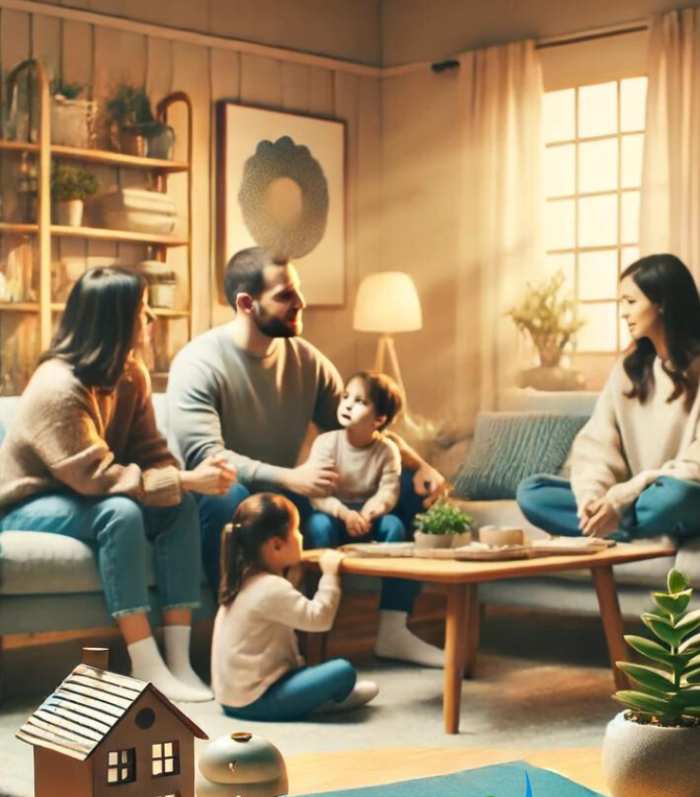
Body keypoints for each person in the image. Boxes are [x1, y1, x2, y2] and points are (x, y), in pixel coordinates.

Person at [166, 247, 447, 667]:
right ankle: (244, 640)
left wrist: (419, 465)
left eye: (298, 290)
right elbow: (208, 459)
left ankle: (393, 628)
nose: (300, 303)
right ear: (246, 304)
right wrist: (291, 477)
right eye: (285, 296)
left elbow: (360, 428)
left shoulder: (306, 360)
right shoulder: (199, 362)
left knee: (410, 489)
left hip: (290, 495)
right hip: (222, 494)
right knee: (230, 496)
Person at [0, 267, 236, 701]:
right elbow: (98, 479)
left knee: (179, 504)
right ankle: (143, 663)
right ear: (114, 320)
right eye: (142, 312)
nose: (150, 322)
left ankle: (178, 660)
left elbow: (150, 452)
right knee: (121, 511)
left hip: (84, 494)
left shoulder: (130, 372)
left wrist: (182, 483)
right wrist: (184, 477)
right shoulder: (57, 388)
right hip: (28, 503)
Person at [517, 254, 700, 541]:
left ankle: (617, 527)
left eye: (631, 302)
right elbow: (597, 445)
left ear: (661, 302)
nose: (623, 312)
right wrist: (593, 498)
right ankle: (616, 525)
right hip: (641, 501)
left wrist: (627, 494)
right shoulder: (628, 369)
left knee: (671, 499)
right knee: (533, 492)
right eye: (621, 303)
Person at [211, 493, 378, 720]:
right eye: (296, 531)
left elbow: (277, 606)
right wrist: (330, 575)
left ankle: (311, 697)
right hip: (257, 701)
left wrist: (293, 579)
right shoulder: (271, 587)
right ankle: (318, 704)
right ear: (277, 545)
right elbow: (319, 619)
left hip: (231, 699)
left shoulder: (245, 579)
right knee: (342, 671)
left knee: (322, 674)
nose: (301, 537)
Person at [308, 370, 406, 552]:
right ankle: (324, 578)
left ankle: (390, 578)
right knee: (318, 525)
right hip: (334, 514)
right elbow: (317, 493)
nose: (348, 405)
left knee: (394, 525)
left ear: (379, 419)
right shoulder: (326, 443)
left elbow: (389, 492)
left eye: (360, 401)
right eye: (346, 396)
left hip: (369, 518)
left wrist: (367, 515)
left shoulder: (387, 450)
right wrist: (346, 515)